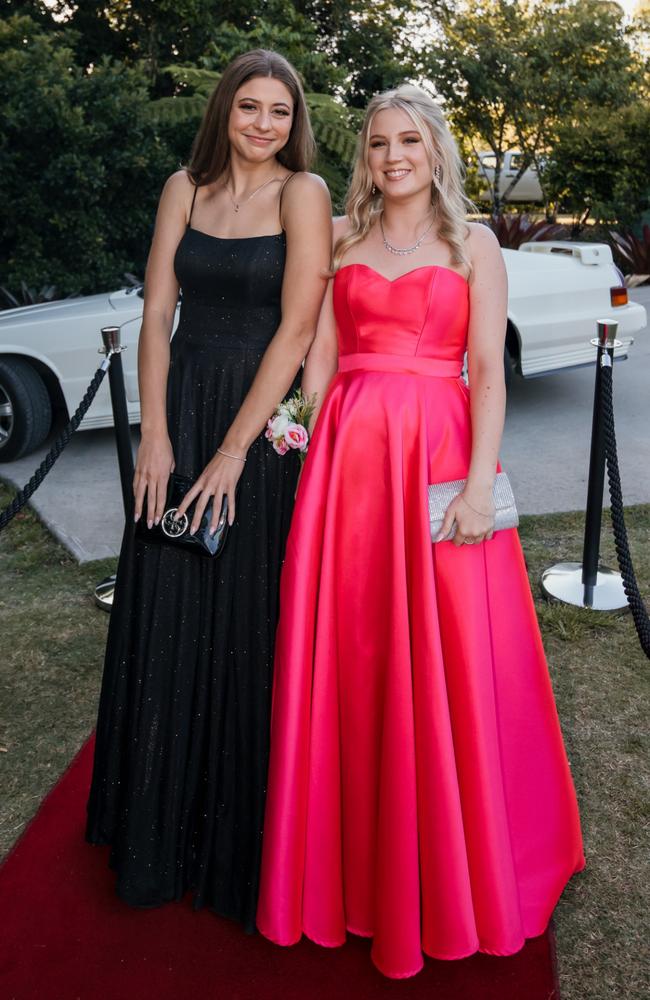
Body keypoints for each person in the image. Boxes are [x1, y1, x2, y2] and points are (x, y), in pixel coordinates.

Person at [256, 85, 584, 978]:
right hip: (350, 471)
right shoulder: (346, 244)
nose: (392, 155)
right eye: (376, 144)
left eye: (408, 140)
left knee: (449, 656)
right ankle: (347, 869)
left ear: (434, 149)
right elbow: (322, 354)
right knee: (354, 657)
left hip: (438, 464)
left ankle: (454, 858)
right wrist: (307, 432)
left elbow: (485, 369)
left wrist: (480, 487)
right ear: (363, 157)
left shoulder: (473, 243)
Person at [86, 49, 331, 933]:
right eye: (249, 108)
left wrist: (234, 451)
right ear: (225, 110)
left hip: (255, 423)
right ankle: (152, 828)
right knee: (168, 601)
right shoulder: (182, 187)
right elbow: (158, 310)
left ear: (293, 121)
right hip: (179, 407)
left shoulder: (304, 194)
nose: (263, 124)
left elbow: (300, 325)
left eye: (278, 111)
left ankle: (234, 841)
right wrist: (155, 434)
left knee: (239, 617)